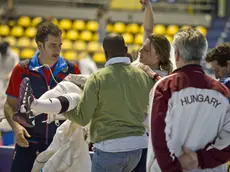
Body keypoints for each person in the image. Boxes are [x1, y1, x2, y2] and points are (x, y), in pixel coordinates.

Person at [147, 28, 230, 172]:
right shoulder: (222, 92)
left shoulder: (165, 87)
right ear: (203, 54)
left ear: (177, 54)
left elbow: (158, 137)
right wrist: (200, 159)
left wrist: (175, 166)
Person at [4, 21, 81, 172]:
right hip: (27, 142)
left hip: (59, 145)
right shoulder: (22, 70)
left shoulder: (71, 70)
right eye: (53, 45)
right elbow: (9, 105)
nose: (58, 50)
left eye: (60, 45)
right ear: (40, 45)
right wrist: (16, 127)